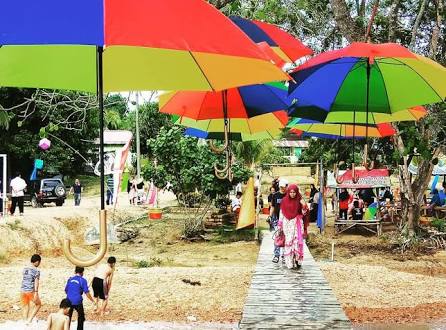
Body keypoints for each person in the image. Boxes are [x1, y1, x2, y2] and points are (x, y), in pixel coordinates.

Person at [277, 184, 305, 269]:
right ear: (288, 192)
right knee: (288, 242)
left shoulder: (299, 200)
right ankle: (289, 262)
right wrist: (280, 225)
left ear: (297, 192)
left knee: (296, 242)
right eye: (291, 192)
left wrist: (303, 205)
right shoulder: (284, 201)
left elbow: (304, 213)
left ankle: (297, 259)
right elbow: (281, 213)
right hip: (287, 224)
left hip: (297, 223)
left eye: (294, 192)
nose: (292, 194)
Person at [21, 254, 42, 324]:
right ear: (36, 262)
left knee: (25, 306)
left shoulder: (25, 269)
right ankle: (30, 319)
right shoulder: (36, 271)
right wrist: (36, 292)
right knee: (38, 304)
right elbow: (36, 282)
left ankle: (25, 322)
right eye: (39, 262)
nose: (39, 264)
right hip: (31, 291)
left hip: (22, 290)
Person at [270, 179, 287, 263]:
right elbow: (273, 206)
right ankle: (276, 255)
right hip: (277, 218)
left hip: (287, 219)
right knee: (278, 236)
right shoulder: (275, 195)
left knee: (286, 237)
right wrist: (270, 216)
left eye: (284, 187)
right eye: (281, 187)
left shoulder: (288, 195)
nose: (283, 188)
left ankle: (284, 255)